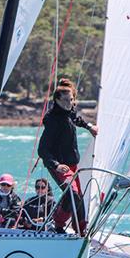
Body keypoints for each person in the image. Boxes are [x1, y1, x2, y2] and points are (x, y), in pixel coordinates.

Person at [37, 78, 97, 234]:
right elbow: (42, 150)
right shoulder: (52, 120)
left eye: (72, 99)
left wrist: (89, 127)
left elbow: (75, 118)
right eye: (66, 100)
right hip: (59, 166)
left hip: (72, 164)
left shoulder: (69, 113)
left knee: (79, 198)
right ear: (57, 100)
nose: (70, 103)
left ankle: (81, 230)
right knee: (73, 194)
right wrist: (56, 165)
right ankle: (57, 224)